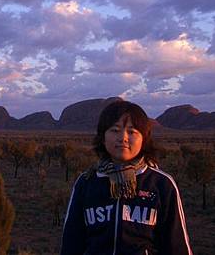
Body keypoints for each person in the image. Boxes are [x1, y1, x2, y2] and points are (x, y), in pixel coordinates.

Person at [60, 101, 192, 255]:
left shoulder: (161, 184)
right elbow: (72, 242)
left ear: (144, 139)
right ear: (103, 137)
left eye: (132, 132)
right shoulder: (87, 182)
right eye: (115, 130)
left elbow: (176, 245)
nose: (123, 138)